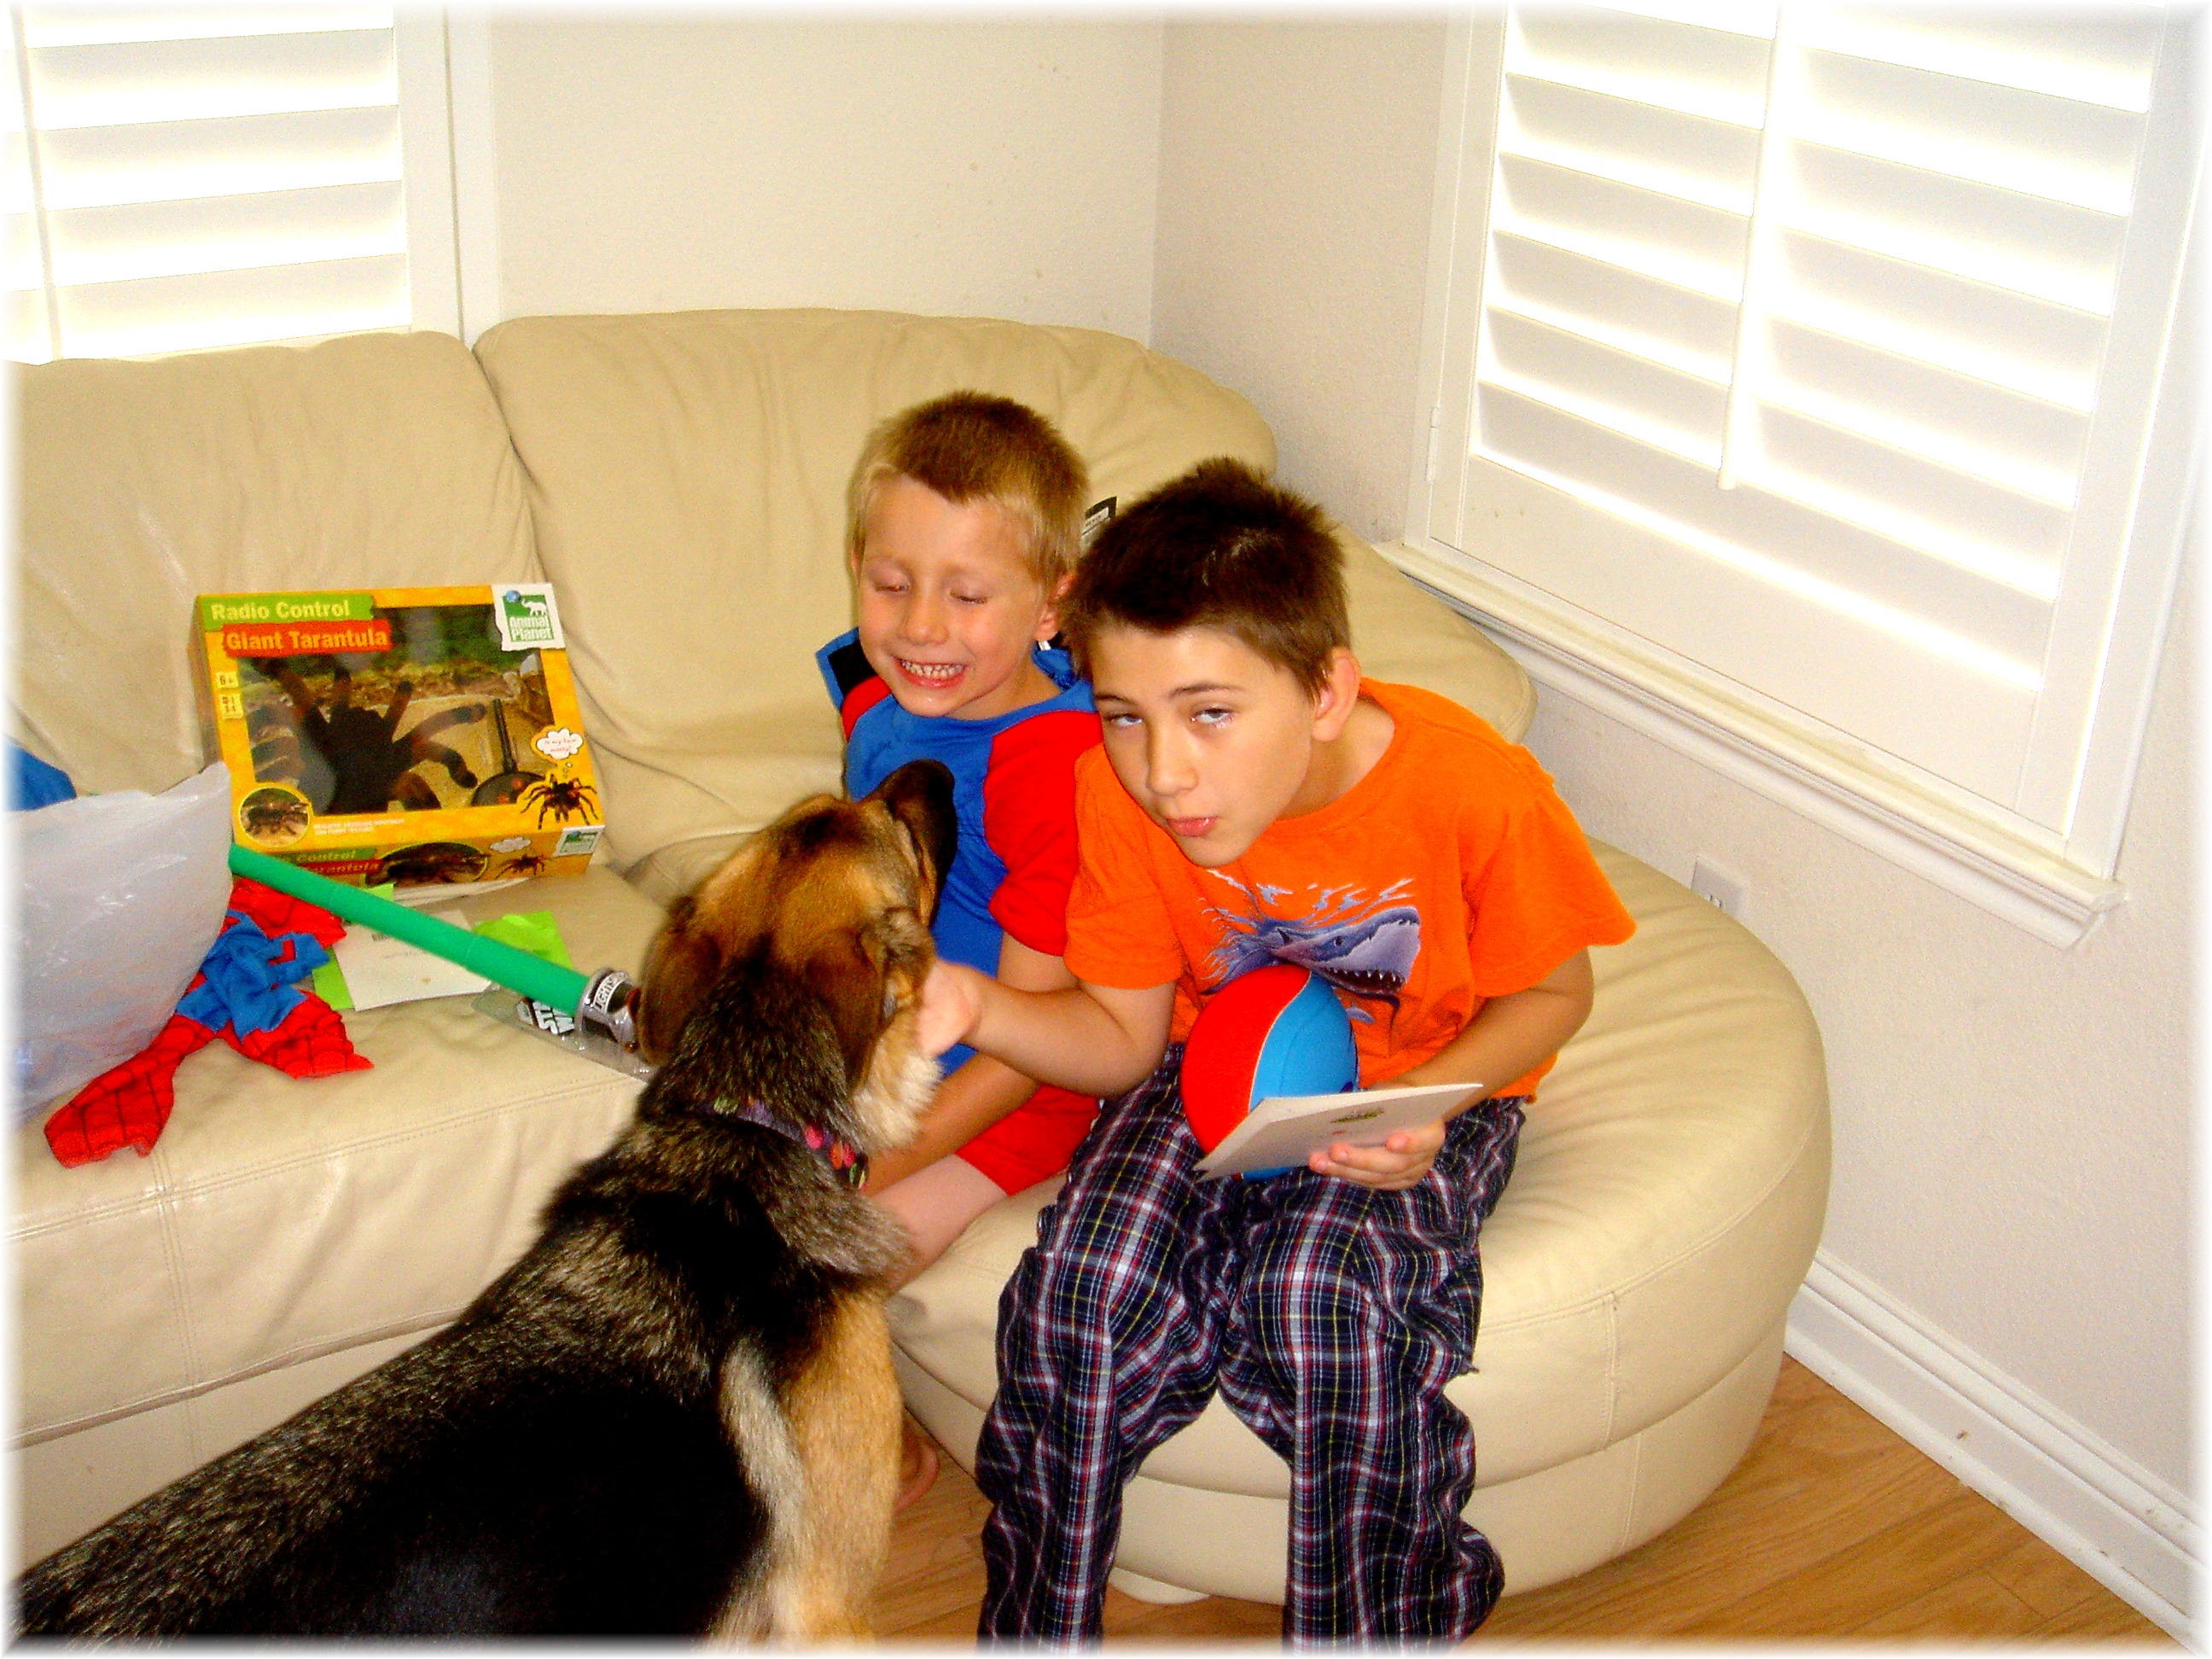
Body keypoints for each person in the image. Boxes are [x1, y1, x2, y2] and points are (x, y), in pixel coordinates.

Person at [915, 458, 1638, 1643]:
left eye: (1210, 712)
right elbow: (1120, 1042)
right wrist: (979, 1006)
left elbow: (1556, 990)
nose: (1165, 772)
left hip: (1420, 1077)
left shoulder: (1472, 789)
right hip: (1204, 1066)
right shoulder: (1118, 795)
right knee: (1083, 1291)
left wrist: (1423, 1103)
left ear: (1326, 691)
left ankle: (1384, 1618)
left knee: (1316, 1297)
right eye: (1123, 715)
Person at [815, 391, 1106, 1502]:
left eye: (968, 595)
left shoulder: (1057, 769)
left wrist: (865, 1166)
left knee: (829, 1268)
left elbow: (1030, 1050)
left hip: (1022, 1096)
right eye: (891, 584)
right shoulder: (877, 710)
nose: (922, 627)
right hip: (895, 1043)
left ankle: (876, 1444)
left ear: (1051, 601)